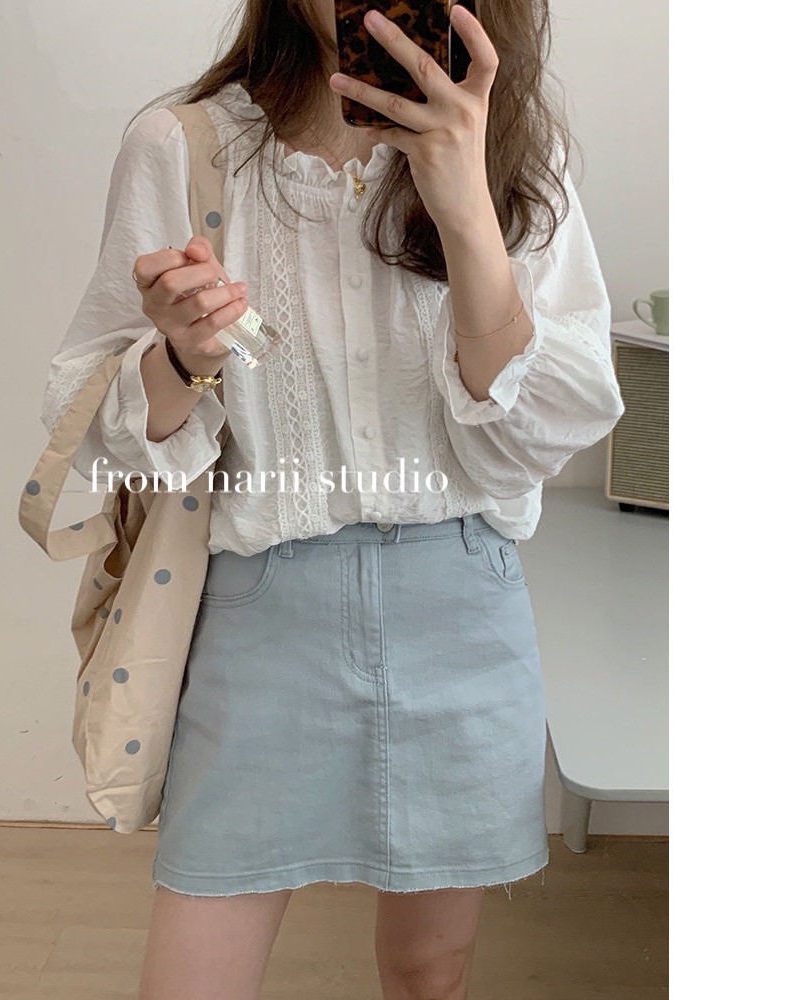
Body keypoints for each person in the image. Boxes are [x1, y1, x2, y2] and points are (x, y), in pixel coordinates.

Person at [41, 2, 625, 997]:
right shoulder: (186, 148)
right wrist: (183, 355)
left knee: (431, 968)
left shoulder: (515, 151)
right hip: (262, 615)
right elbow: (90, 422)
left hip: (461, 606)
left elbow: (540, 434)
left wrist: (465, 204)